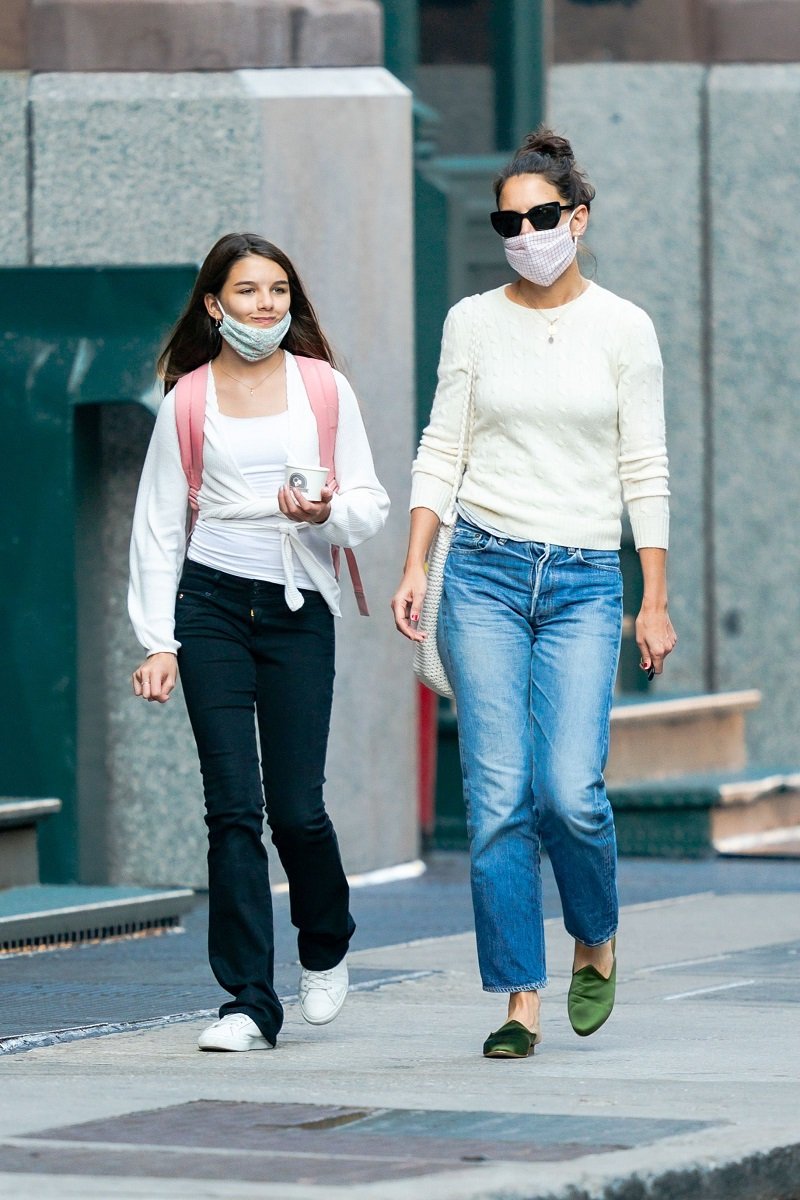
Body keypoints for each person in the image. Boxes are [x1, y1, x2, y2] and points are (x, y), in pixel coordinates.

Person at [392, 129, 676, 1059]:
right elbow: (443, 443)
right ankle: (519, 996)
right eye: (507, 221)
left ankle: (594, 933)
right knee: (499, 796)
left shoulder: (625, 327)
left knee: (571, 792)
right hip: (481, 568)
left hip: (588, 579)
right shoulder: (472, 320)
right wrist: (414, 562)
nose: (525, 234)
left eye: (542, 217)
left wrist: (654, 596)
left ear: (578, 219)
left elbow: (645, 467)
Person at [129, 232, 389, 1052]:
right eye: (247, 292)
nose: (265, 305)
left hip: (297, 606)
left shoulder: (323, 389)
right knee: (231, 809)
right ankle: (247, 1000)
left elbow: (371, 500)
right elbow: (157, 526)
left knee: (298, 809)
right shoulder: (187, 400)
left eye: (278, 290)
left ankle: (326, 939)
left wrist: (327, 514)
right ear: (214, 305)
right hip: (209, 606)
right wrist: (157, 640)